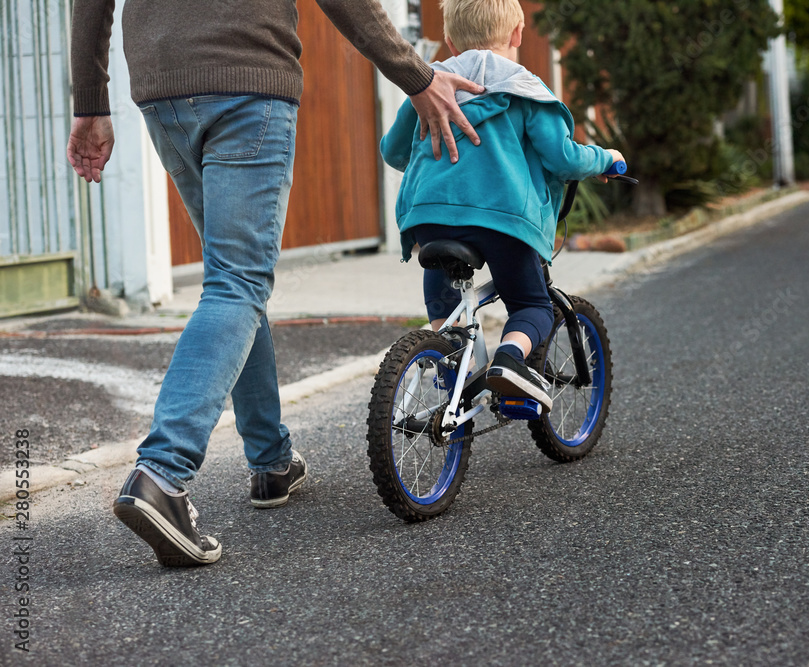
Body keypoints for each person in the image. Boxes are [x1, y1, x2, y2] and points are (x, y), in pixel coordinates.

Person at [66, 0, 485, 568]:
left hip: (163, 87)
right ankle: (162, 473)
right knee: (238, 281)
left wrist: (90, 101)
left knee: (233, 278)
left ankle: (271, 461)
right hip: (246, 77)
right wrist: (416, 76)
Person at [380, 0, 624, 411]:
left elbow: (392, 150)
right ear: (517, 34)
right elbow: (563, 158)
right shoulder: (525, 88)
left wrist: (429, 160)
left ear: (450, 41)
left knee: (444, 279)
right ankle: (510, 361)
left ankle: (446, 352)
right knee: (532, 304)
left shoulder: (430, 83)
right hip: (503, 221)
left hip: (429, 217)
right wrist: (605, 159)